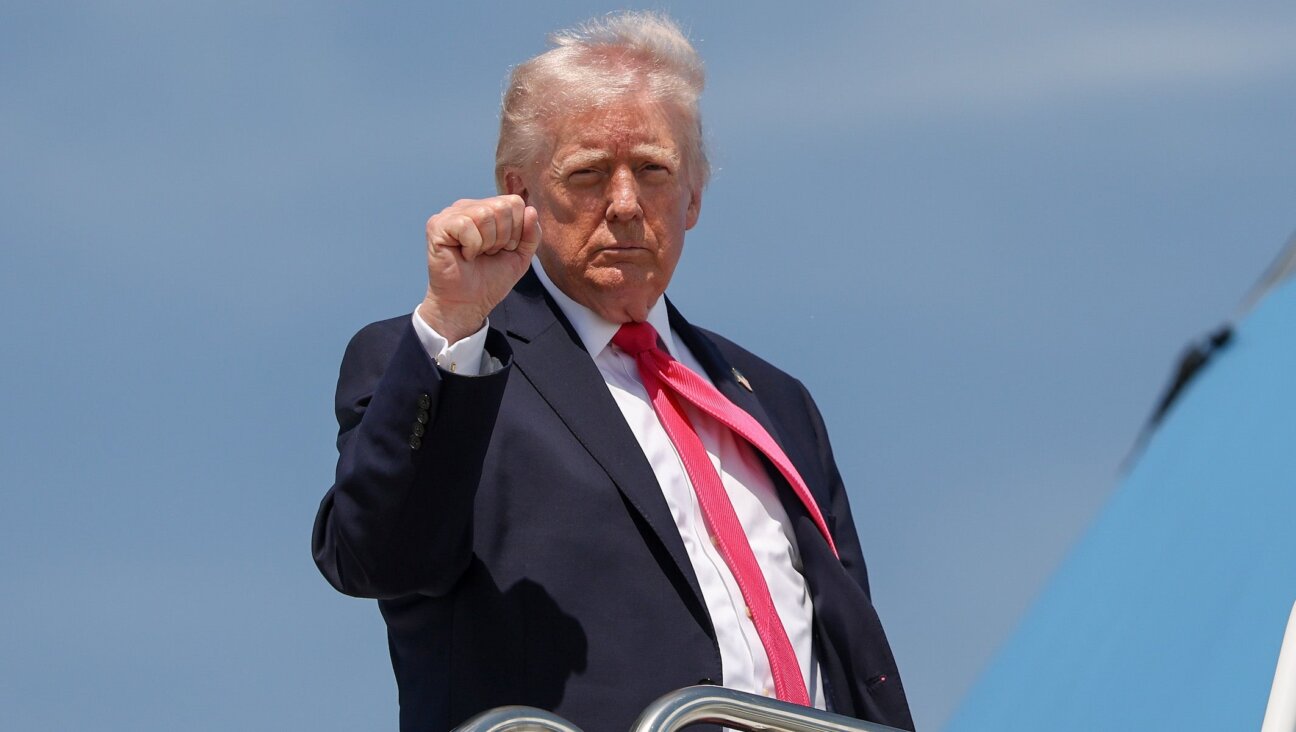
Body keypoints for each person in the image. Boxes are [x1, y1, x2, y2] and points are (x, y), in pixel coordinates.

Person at [312, 11, 914, 732]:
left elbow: (850, 651)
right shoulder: (450, 361)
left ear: (693, 197)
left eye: (654, 171)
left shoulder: (773, 403)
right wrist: (453, 322)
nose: (625, 204)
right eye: (589, 173)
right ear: (520, 191)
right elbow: (377, 556)